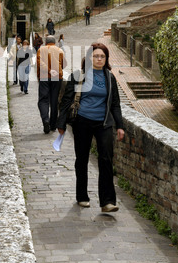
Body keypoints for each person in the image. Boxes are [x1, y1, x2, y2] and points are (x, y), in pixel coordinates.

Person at [57, 43, 124, 212]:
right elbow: (67, 100)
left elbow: (115, 104)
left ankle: (107, 202)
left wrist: (120, 126)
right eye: (96, 56)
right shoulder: (79, 75)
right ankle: (82, 196)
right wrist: (61, 123)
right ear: (88, 58)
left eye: (102, 56)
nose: (99, 59)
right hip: (82, 121)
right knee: (82, 160)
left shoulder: (110, 77)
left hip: (103, 123)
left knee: (106, 159)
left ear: (106, 59)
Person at [37, 35, 66, 134]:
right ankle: (53, 125)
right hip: (57, 77)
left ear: (46, 42)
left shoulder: (41, 50)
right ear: (55, 42)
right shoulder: (59, 50)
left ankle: (45, 120)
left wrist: (48, 71)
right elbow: (64, 64)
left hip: (44, 77)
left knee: (43, 100)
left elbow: (39, 63)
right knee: (54, 100)